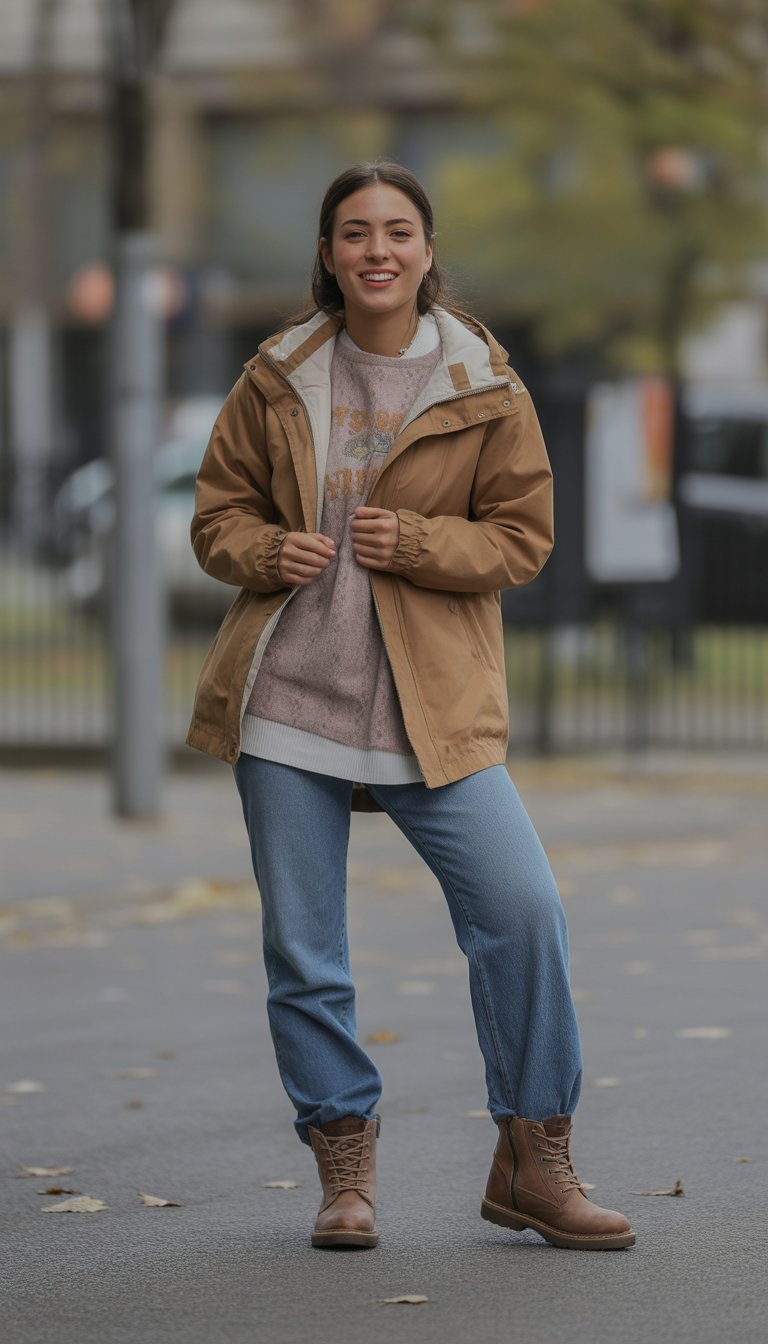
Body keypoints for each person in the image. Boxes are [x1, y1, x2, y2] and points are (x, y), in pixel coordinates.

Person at [187, 160, 634, 1252]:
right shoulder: (277, 374)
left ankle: (535, 1159)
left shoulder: (488, 384)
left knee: (524, 914)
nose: (376, 250)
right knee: (307, 951)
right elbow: (216, 517)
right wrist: (263, 547)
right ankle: (343, 1168)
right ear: (330, 255)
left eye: (397, 230)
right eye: (354, 232)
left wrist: (424, 544)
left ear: (428, 251)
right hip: (289, 701)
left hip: (435, 707)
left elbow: (522, 540)